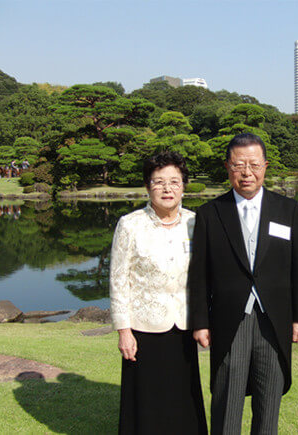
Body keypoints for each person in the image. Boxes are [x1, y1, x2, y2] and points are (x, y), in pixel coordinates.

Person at [189, 133, 298, 434]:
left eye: (254, 164)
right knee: (227, 399)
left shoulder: (287, 209)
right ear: (228, 167)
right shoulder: (209, 213)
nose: (247, 172)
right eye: (239, 165)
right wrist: (200, 322)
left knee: (269, 400)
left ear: (265, 166)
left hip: (274, 319)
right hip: (230, 318)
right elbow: (199, 274)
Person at [110, 151, 207, 435]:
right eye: (159, 182)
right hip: (143, 326)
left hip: (184, 324)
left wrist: (206, 320)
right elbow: (118, 280)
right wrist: (123, 330)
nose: (167, 189)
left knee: (183, 393)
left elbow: (205, 277)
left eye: (174, 182)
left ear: (184, 186)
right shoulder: (130, 225)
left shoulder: (196, 222)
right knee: (146, 396)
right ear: (148, 186)